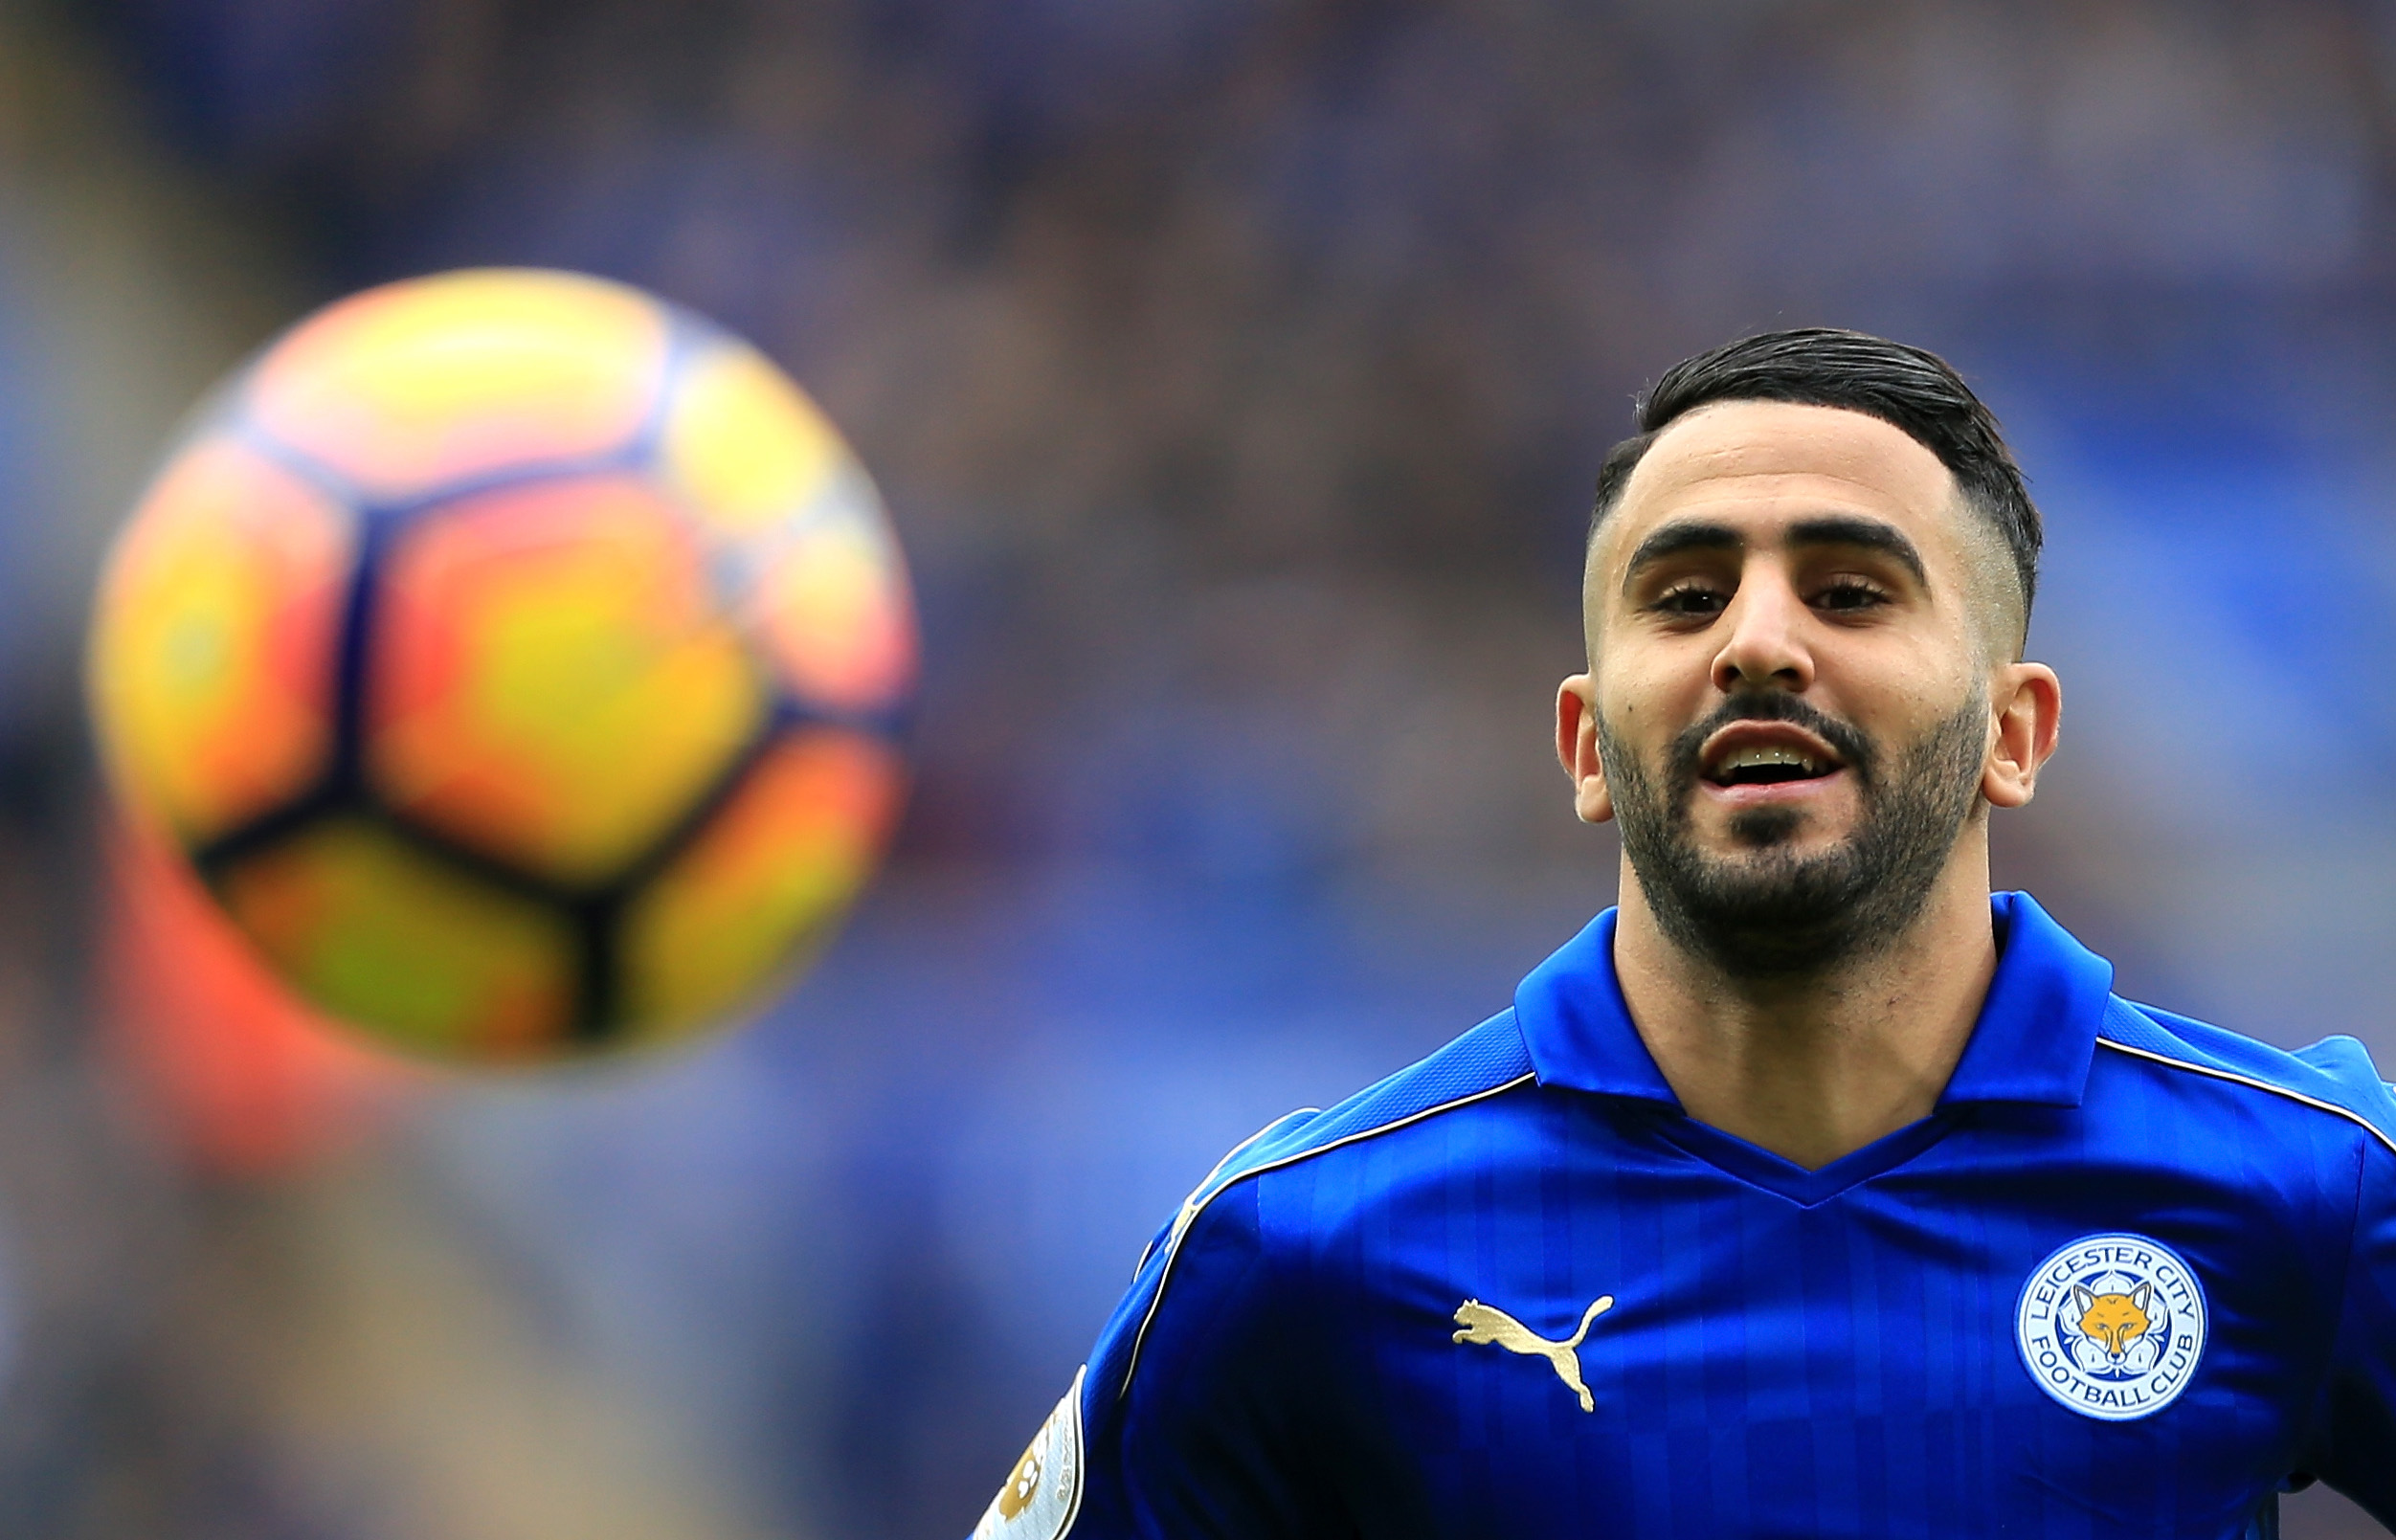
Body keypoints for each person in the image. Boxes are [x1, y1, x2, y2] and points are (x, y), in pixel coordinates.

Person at [968, 329, 2396, 1539]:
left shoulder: (2303, 1183)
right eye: (1685, 595)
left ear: (2011, 735)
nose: (1758, 641)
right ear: (1588, 746)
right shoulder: (1308, 1245)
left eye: (1850, 590)